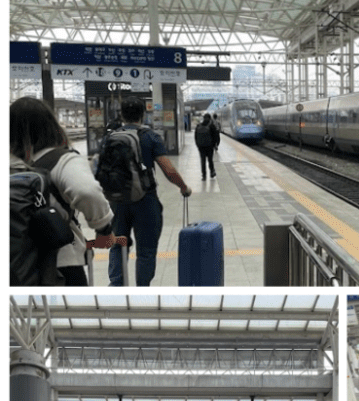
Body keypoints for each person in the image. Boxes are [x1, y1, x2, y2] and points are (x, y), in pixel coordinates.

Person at [10, 97, 117, 286]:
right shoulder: (61, 159)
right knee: (72, 314)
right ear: (51, 124)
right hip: (60, 262)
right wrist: (104, 229)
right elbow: (87, 192)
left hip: (14, 264)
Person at [106, 97, 191, 286]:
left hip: (117, 202)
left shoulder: (111, 137)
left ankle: (117, 289)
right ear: (143, 114)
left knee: (118, 246)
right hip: (145, 200)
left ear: (121, 115)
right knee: (146, 251)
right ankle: (142, 290)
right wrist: (184, 187)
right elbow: (168, 170)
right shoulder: (150, 137)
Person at [194, 113, 219, 181]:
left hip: (201, 147)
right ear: (210, 118)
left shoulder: (198, 125)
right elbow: (215, 137)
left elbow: (195, 137)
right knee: (210, 160)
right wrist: (214, 145)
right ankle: (212, 172)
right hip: (209, 147)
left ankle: (204, 176)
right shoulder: (211, 126)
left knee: (203, 161)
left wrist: (198, 145)